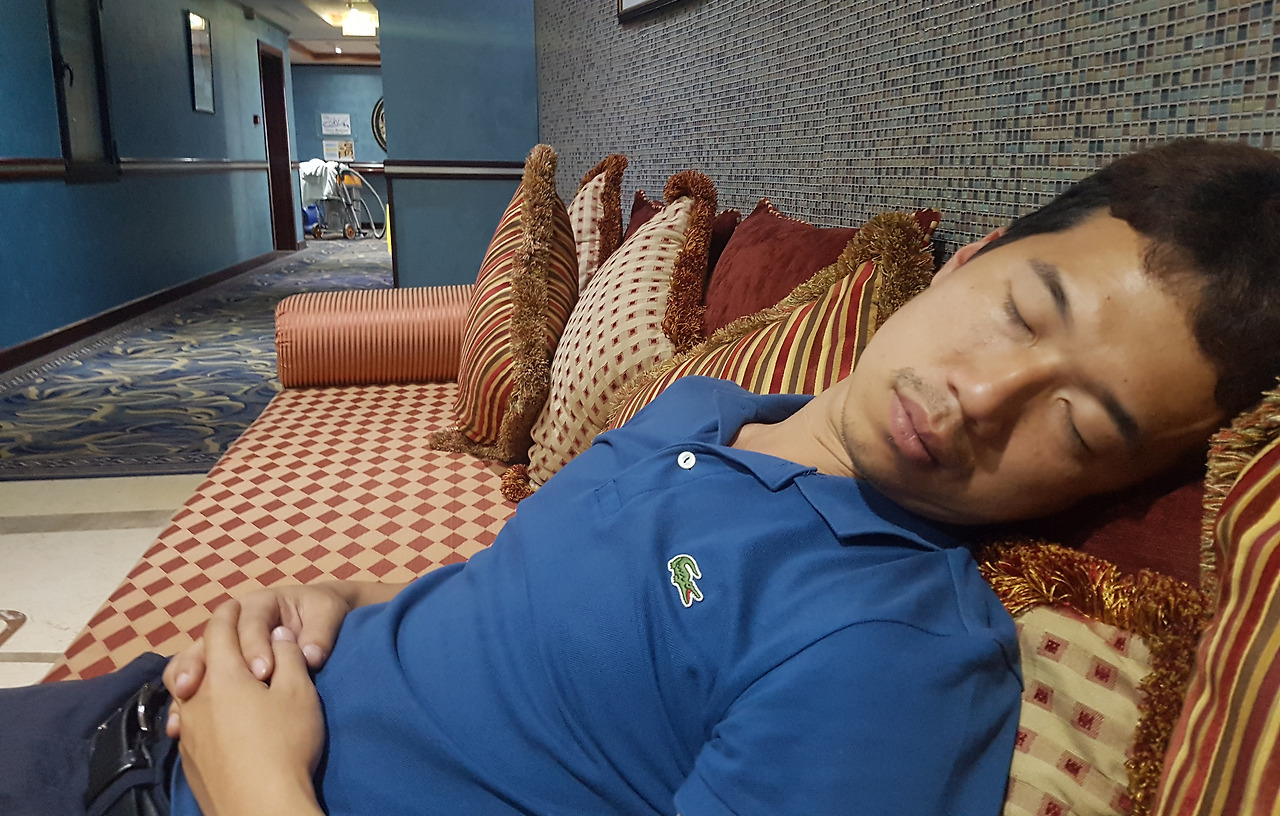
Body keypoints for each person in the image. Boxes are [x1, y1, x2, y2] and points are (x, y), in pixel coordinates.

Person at [5, 138, 1280, 816]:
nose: (981, 398)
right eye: (1020, 311)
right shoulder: (715, 408)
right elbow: (543, 606)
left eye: (1082, 425)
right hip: (137, 713)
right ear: (969, 260)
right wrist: (347, 598)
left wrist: (254, 783)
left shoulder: (886, 656)